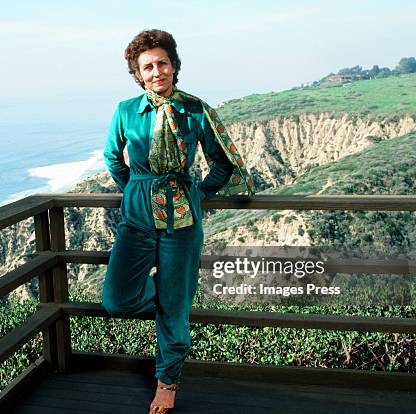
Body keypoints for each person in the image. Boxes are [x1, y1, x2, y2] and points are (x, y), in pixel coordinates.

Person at [101, 29, 256, 413]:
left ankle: (167, 381)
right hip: (137, 216)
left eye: (162, 63)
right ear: (138, 74)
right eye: (148, 66)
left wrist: (199, 194)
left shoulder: (196, 109)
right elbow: (112, 158)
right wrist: (136, 188)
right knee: (117, 300)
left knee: (175, 300)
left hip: (182, 218)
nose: (156, 71)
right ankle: (172, 304)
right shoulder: (125, 111)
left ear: (174, 65)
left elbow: (222, 162)